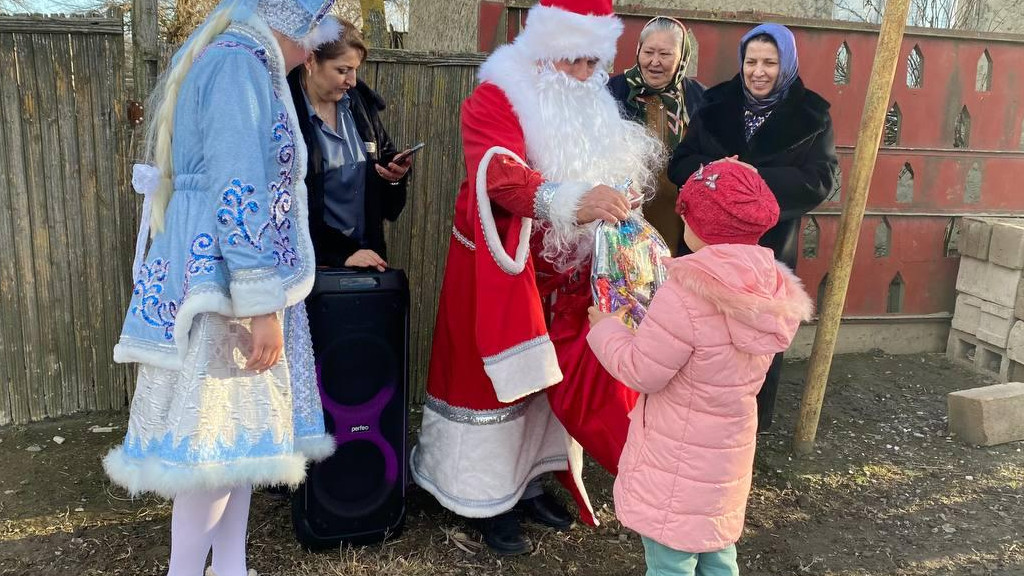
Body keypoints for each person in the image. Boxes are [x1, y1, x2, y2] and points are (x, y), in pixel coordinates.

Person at [410, 0, 664, 556]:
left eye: (592, 62)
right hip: (501, 266)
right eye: (572, 60)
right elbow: (498, 176)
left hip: (568, 272)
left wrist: (616, 196)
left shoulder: (591, 94)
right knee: (490, 382)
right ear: (545, 49)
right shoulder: (496, 96)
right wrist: (572, 200)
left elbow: (604, 164)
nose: (582, 73)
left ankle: (529, 483)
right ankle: (479, 497)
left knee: (555, 384)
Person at [103, 1, 339, 575]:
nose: (313, 51)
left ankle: (229, 568)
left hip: (230, 277)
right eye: (313, 34)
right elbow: (239, 186)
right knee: (211, 454)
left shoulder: (239, 57)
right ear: (292, 25)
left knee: (238, 447)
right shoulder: (238, 64)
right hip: (227, 284)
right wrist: (261, 304)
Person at [587, 162, 813, 576]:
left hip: (676, 459)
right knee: (717, 552)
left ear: (695, 223)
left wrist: (606, 329)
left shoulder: (685, 294)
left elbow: (641, 371)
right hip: (726, 457)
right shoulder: (770, 289)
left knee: (670, 562)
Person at [667, 23, 838, 431]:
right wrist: (717, 171)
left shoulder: (812, 115)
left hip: (767, 249)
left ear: (787, 65)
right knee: (698, 331)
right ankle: (687, 422)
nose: (758, 71)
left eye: (770, 63)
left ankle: (747, 430)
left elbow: (821, 180)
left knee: (754, 339)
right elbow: (680, 162)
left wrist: (754, 180)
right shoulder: (715, 103)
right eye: (751, 61)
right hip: (704, 247)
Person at [287, 17, 412, 271]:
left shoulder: (360, 104)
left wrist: (395, 177)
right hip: (311, 269)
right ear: (310, 60)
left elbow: (385, 189)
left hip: (367, 260)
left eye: (355, 70)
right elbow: (283, 207)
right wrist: (340, 253)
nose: (353, 81)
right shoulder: (283, 113)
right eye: (343, 70)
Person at [608, 16, 705, 255]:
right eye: (648, 52)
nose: (654, 62)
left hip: (681, 218)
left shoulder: (700, 99)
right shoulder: (612, 93)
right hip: (626, 213)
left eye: (665, 54)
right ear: (638, 51)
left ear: (682, 57)